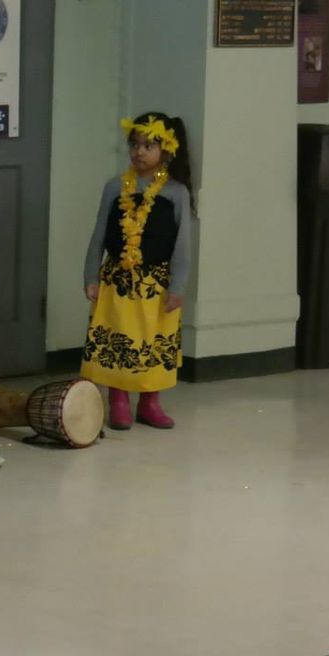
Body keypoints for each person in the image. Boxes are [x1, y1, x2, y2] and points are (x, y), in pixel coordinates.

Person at [81, 112, 194, 430]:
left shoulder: (176, 192)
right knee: (119, 337)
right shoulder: (115, 187)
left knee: (152, 341)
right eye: (134, 145)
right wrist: (91, 276)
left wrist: (178, 286)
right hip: (117, 281)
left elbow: (182, 244)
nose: (139, 152)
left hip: (156, 284)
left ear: (165, 150)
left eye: (148, 146)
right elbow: (99, 235)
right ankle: (118, 400)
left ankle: (149, 402)